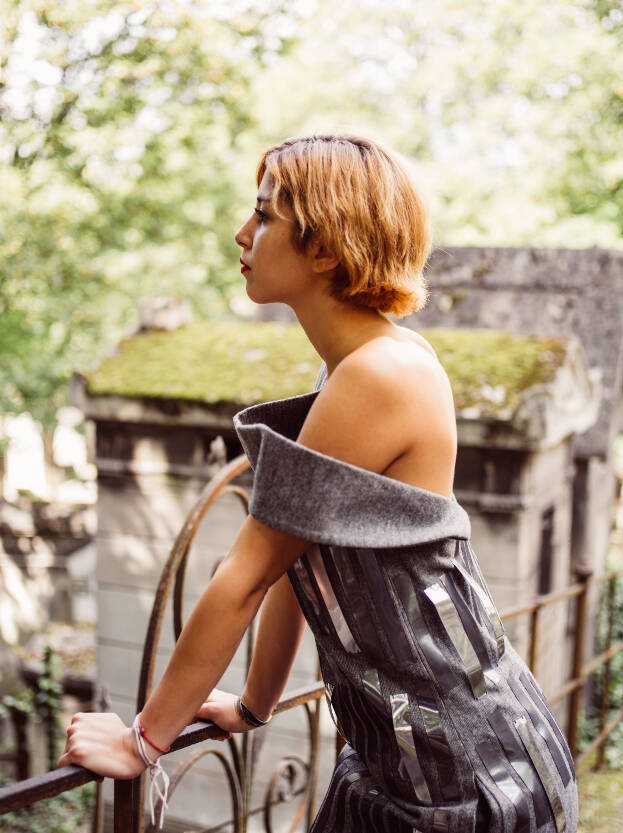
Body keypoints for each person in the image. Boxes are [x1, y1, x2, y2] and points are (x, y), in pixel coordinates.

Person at [59, 134, 578, 833]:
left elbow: (244, 573)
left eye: (265, 215)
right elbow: (298, 556)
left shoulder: (381, 374)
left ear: (326, 248)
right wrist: (253, 703)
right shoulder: (351, 369)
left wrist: (141, 741)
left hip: (466, 774)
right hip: (399, 757)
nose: (242, 233)